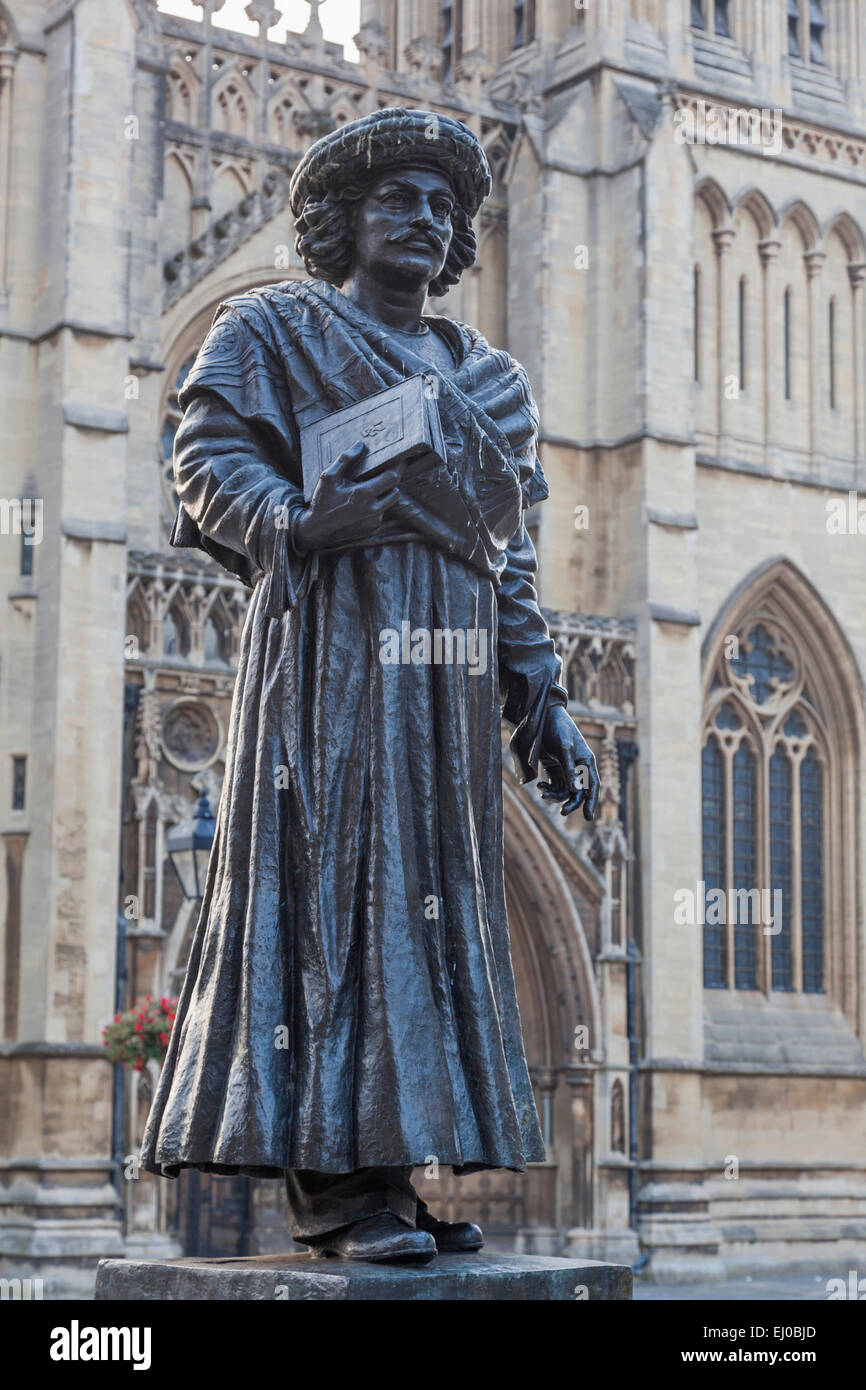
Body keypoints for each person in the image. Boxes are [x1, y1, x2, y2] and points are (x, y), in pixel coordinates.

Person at [141, 108, 599, 1264]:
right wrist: (298, 517)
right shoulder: (273, 329)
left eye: (442, 209)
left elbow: (508, 550)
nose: (424, 220)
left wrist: (537, 693)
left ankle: (393, 1171)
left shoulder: (486, 377)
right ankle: (334, 1193)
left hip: (443, 686)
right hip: (327, 652)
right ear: (342, 220)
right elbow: (202, 458)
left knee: (429, 903)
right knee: (327, 893)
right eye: (398, 199)